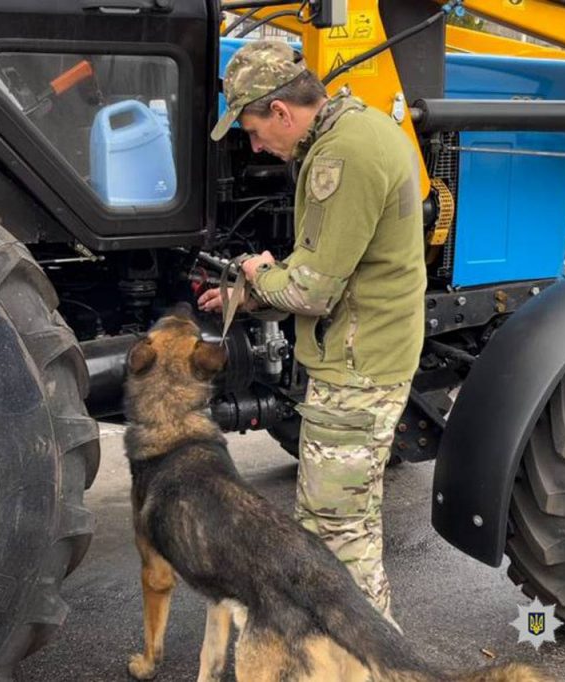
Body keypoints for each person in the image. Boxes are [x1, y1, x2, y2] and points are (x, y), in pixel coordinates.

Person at [198, 40, 426, 622]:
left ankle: (367, 656)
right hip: (368, 356)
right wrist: (257, 286)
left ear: (281, 111)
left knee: (336, 535)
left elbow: (313, 291)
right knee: (345, 522)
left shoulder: (339, 157)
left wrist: (258, 275)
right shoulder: (362, 128)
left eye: (252, 131)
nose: (255, 146)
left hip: (356, 368)